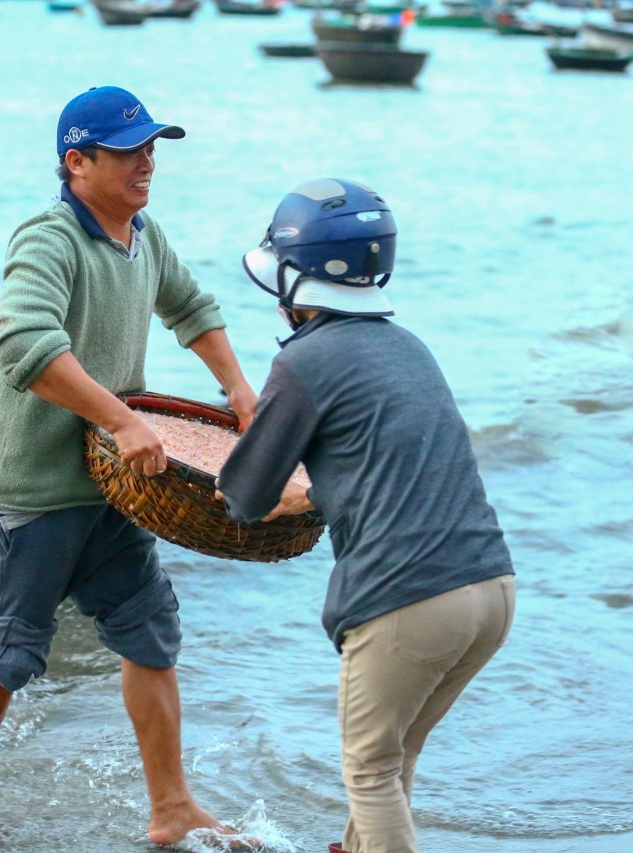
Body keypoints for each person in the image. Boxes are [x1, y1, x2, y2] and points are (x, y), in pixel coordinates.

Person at [0, 86, 258, 846]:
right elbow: (24, 350)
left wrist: (241, 390)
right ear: (77, 162)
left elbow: (193, 307)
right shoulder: (48, 238)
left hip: (114, 481)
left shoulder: (143, 234)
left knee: (150, 630)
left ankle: (171, 805)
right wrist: (120, 416)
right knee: (11, 652)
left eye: (151, 148)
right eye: (128, 150)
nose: (147, 162)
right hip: (32, 488)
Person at [217, 179, 516, 853]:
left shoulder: (305, 360)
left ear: (299, 282)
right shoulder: (407, 346)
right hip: (492, 589)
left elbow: (243, 497)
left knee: (369, 770)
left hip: (409, 599)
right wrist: (320, 492)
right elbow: (397, 463)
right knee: (396, 755)